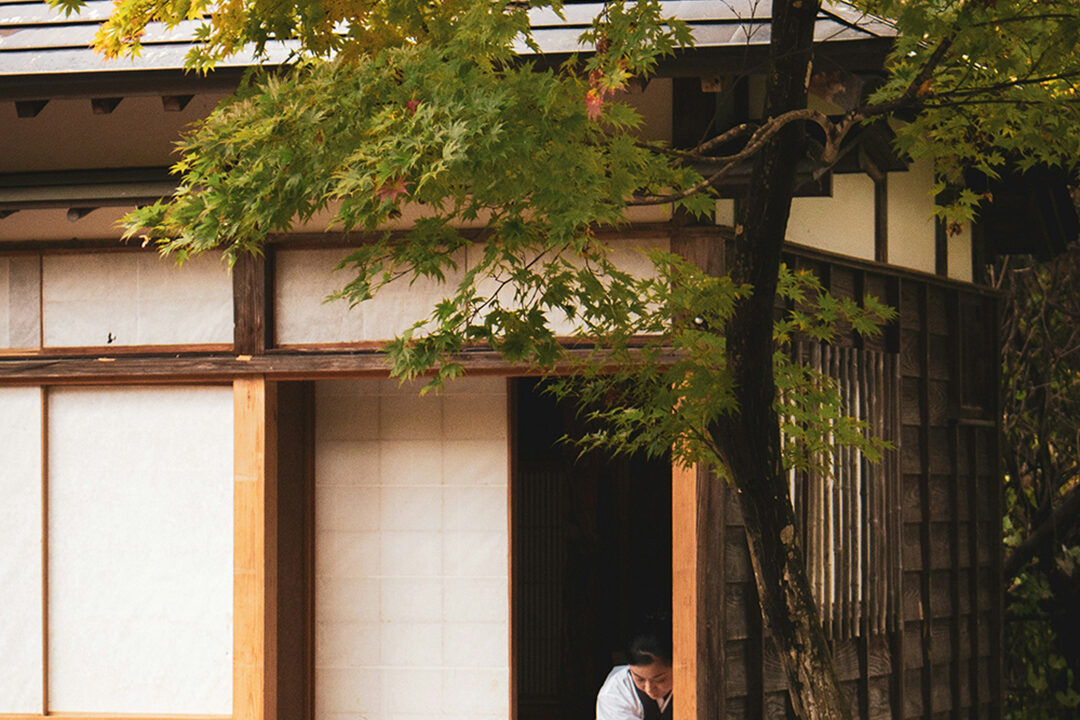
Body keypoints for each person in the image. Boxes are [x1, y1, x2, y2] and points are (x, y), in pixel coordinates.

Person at [595, 621, 673, 720]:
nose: (649, 689)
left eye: (660, 680)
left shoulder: (687, 678)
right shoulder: (615, 694)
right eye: (640, 679)